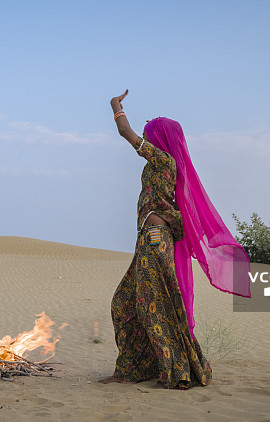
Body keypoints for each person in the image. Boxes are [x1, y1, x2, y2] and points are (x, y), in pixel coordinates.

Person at [100, 90, 252, 389]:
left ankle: (175, 370)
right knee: (128, 303)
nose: (146, 136)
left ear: (160, 138)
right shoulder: (163, 164)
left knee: (151, 306)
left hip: (155, 239)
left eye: (150, 133)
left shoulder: (161, 160)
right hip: (150, 238)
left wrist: (115, 106)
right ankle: (139, 368)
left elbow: (124, 131)